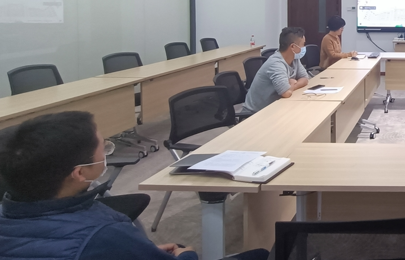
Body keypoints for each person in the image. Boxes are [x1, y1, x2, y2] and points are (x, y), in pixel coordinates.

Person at [0, 111, 268, 260]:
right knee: (261, 254)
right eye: (104, 147)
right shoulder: (103, 234)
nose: (107, 152)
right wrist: (187, 256)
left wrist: (137, 252)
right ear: (79, 173)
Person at [242, 27, 309, 113]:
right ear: (293, 47)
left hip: (275, 107)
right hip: (255, 113)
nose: (304, 47)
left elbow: (305, 78)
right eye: (303, 44)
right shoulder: (275, 63)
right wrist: (291, 85)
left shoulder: (294, 58)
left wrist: (293, 85)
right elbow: (286, 93)